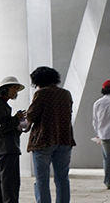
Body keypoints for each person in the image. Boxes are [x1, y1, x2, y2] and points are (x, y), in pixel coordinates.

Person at [26, 66, 75, 203]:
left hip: (44, 140)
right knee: (62, 178)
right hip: (64, 139)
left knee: (42, 178)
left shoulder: (41, 93)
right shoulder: (66, 93)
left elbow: (32, 115)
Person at [0, 76, 26, 203]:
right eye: (14, 88)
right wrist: (16, 119)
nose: (16, 92)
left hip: (3, 147)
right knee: (10, 181)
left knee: (1, 179)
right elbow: (1, 127)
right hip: (6, 147)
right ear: (5, 89)